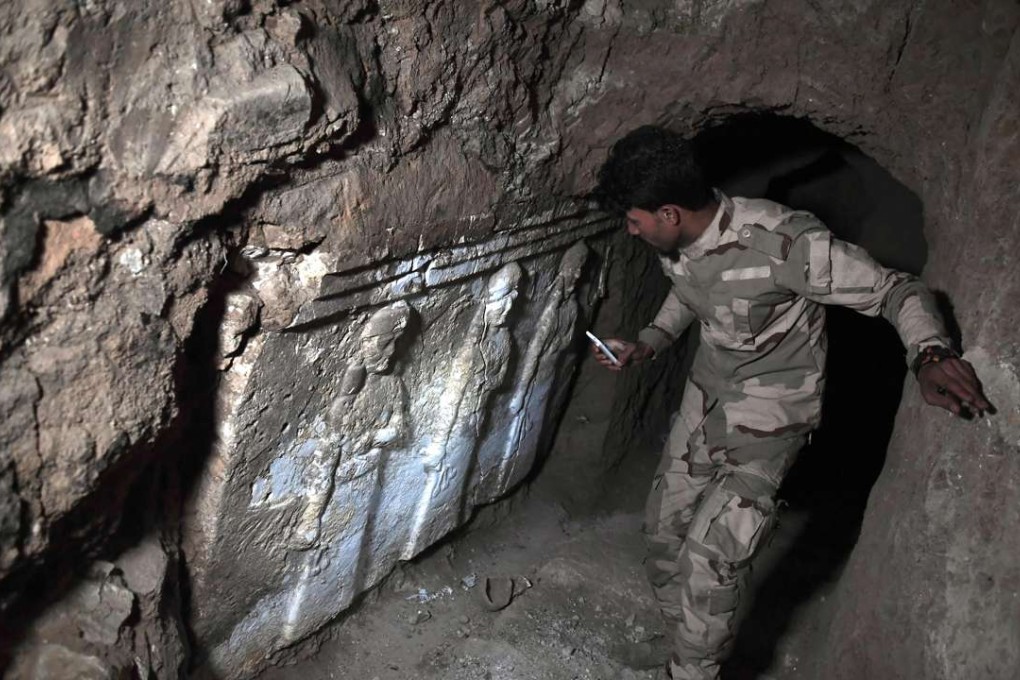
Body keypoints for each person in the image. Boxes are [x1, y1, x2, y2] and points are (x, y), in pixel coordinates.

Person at [590, 126, 991, 680]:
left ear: (669, 212)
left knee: (713, 563)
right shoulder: (680, 242)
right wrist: (648, 342)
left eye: (635, 222)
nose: (631, 232)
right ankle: (683, 645)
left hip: (769, 425)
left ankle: (691, 671)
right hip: (704, 407)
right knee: (663, 535)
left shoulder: (785, 242)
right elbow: (688, 291)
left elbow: (895, 289)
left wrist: (928, 354)